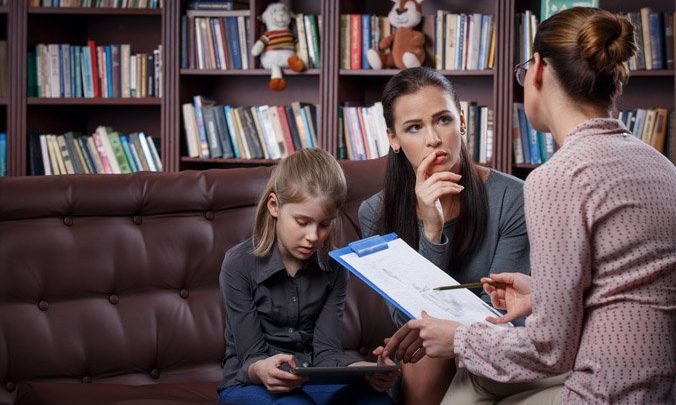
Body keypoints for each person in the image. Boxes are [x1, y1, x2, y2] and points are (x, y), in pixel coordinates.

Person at [383, 7, 676, 404]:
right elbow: (628, 288)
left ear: (537, 70)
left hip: (602, 391)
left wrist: (460, 338)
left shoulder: (556, 178)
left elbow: (549, 350)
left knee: (472, 378)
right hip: (658, 386)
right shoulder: (661, 165)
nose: (433, 138)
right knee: (473, 384)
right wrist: (541, 292)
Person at [358, 66, 531, 404]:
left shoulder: (513, 198)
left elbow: (501, 316)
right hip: (427, 355)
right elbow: (407, 317)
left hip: (495, 348)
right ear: (393, 139)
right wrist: (431, 231)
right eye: (413, 128)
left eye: (443, 120)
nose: (433, 139)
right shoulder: (374, 213)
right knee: (426, 348)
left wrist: (449, 334)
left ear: (462, 120)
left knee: (431, 345)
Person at [217, 148, 399, 405]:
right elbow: (250, 359)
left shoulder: (334, 268)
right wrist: (262, 368)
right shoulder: (238, 264)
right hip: (249, 383)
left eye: (324, 224)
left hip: (311, 382)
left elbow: (327, 353)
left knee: (376, 401)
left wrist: (366, 370)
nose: (314, 236)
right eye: (302, 222)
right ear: (274, 206)